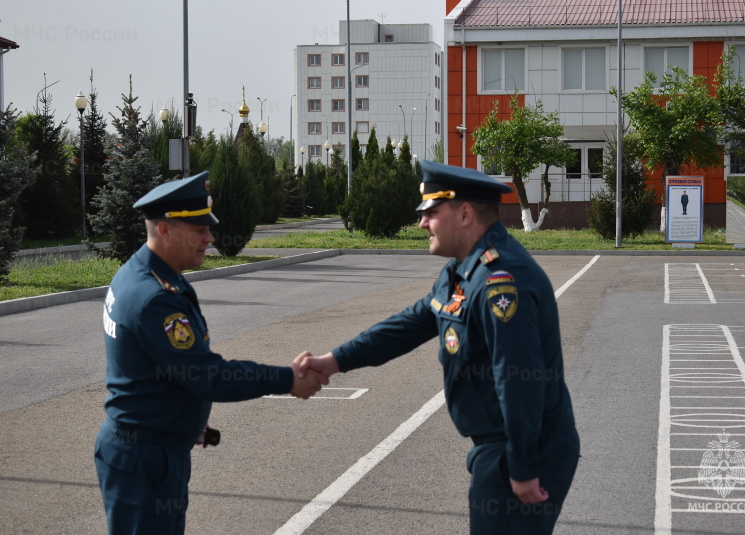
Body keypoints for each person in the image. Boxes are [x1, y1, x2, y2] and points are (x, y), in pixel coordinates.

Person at [299, 160, 580, 534]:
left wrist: (523, 466)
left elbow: (517, 380)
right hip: (501, 447)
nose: (422, 223)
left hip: (525, 447)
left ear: (464, 214)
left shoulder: (501, 280)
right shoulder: (462, 271)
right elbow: (406, 326)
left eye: (431, 212)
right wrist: (334, 361)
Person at [95, 171, 326, 534]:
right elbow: (209, 376)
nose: (210, 237)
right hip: (146, 458)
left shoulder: (148, 272)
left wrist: (183, 417)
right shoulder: (155, 297)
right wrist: (288, 379)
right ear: (166, 230)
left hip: (151, 447)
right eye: (199, 229)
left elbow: (158, 367)